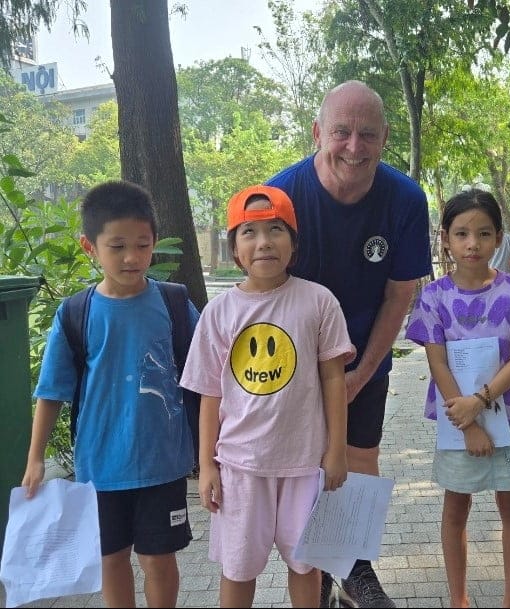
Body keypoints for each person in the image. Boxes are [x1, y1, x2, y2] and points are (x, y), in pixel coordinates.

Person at [266, 80, 432, 607]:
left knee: (359, 461)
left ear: (384, 138)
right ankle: (314, 576)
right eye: (341, 132)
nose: (354, 147)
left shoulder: (405, 199)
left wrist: (361, 373)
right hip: (295, 365)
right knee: (305, 468)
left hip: (364, 355)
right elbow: (263, 292)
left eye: (367, 134)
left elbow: (399, 292)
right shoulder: (282, 196)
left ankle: (354, 567)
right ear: (318, 132)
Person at [22, 180, 197, 608]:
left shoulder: (174, 304)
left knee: (159, 560)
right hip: (99, 466)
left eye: (142, 244)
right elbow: (52, 392)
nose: (132, 257)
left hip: (164, 463)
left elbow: (207, 379)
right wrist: (35, 458)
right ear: (89, 247)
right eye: (117, 246)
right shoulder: (76, 313)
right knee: (111, 558)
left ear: (154, 241)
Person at [180, 186, 354, 607]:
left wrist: (336, 451)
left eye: (276, 230)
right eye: (249, 233)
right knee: (237, 569)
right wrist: (206, 466)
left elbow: (334, 379)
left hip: (304, 463)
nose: (263, 242)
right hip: (241, 465)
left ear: (293, 243)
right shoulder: (218, 313)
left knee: (305, 565)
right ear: (235, 248)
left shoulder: (318, 301)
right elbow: (209, 394)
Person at [404, 188, 510, 608]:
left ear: (499, 238)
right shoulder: (433, 298)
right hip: (456, 422)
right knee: (455, 509)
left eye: (484, 233)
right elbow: (438, 364)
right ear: (444, 237)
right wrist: (466, 423)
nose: (472, 244)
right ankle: (458, 599)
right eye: (461, 233)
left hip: (509, 418)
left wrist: (478, 404)